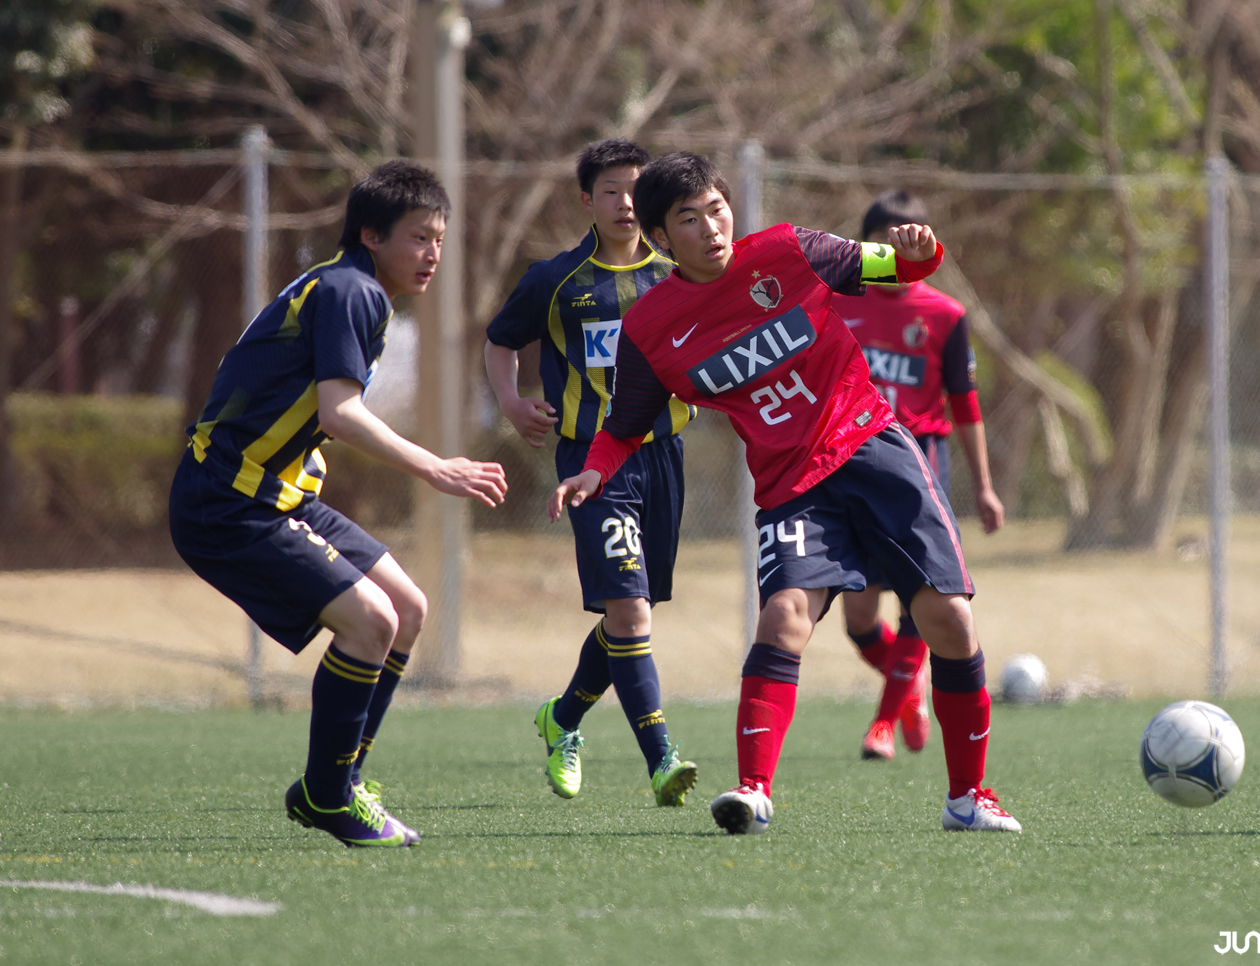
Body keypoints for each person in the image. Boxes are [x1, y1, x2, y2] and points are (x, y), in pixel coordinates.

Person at [551, 152, 1021, 836]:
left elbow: (898, 269)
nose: (711, 227)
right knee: (783, 621)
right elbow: (623, 425)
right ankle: (752, 791)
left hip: (873, 447)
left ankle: (967, 798)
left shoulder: (791, 251)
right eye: (689, 218)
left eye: (717, 209)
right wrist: (593, 469)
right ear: (660, 237)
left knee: (948, 618)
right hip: (791, 484)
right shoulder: (651, 329)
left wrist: (921, 253)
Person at [169, 160, 508, 848]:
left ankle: (340, 780)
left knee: (406, 611)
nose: (432, 253)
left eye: (439, 238)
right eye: (418, 237)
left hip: (279, 495)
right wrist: (434, 466)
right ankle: (328, 795)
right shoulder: (350, 291)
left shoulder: (347, 286)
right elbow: (341, 412)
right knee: (370, 622)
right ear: (371, 234)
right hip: (230, 503)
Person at [485, 139, 698, 808]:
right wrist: (513, 401)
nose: (626, 202)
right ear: (587, 200)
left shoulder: (676, 274)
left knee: (629, 616)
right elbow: (499, 338)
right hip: (590, 463)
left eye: (637, 189)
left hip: (662, 457)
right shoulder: (555, 279)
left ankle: (563, 718)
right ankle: (661, 760)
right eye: (611, 190)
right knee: (630, 615)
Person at [832, 189, 1005, 762]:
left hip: (917, 467)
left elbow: (966, 405)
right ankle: (907, 693)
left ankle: (882, 723)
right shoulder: (837, 302)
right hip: (849, 464)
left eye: (915, 237)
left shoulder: (946, 315)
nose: (903, 247)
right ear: (870, 245)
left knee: (919, 603)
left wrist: (982, 485)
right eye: (891, 238)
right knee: (858, 619)